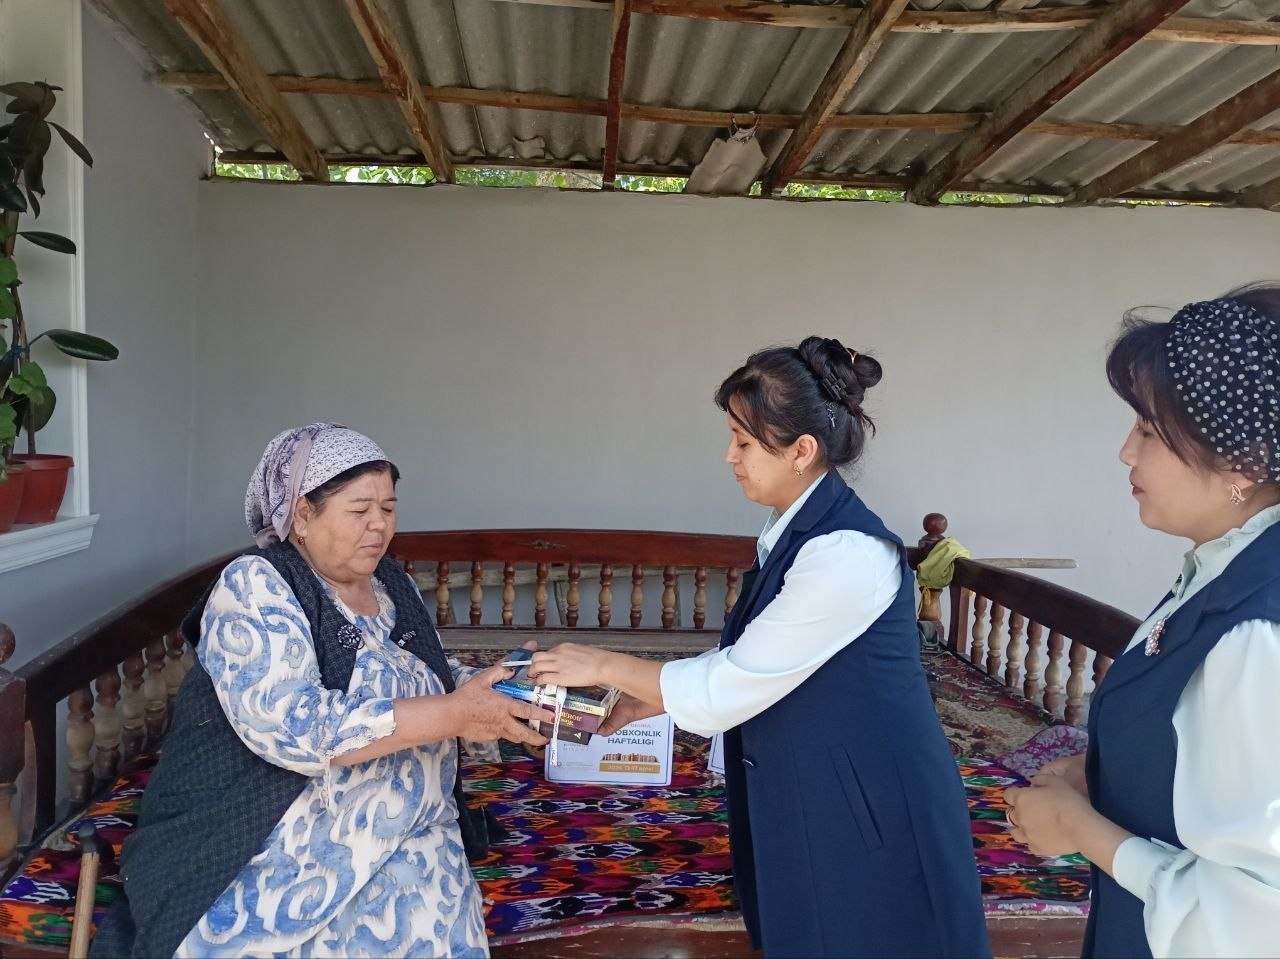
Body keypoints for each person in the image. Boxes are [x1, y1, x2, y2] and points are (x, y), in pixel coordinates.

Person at [529, 338, 990, 958]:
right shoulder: (798, 533)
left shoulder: (845, 553)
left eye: (743, 441)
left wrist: (602, 662)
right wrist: (647, 702)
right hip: (829, 794)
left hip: (874, 811)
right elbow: (761, 666)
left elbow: (728, 686)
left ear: (802, 451)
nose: (730, 456)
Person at [94, 423, 549, 958]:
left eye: (389, 508)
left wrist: (499, 687)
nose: (379, 525)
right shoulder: (256, 585)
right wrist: (455, 713)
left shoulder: (391, 582)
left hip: (415, 829)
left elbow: (421, 673)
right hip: (286, 835)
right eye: (360, 510)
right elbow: (293, 726)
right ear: (302, 516)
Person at [1004, 286, 1280, 958]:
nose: (1126, 452)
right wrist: (1103, 774)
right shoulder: (1223, 571)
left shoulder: (1256, 632)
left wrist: (1081, 827)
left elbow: (1256, 917)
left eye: (1150, 432)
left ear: (1243, 461)